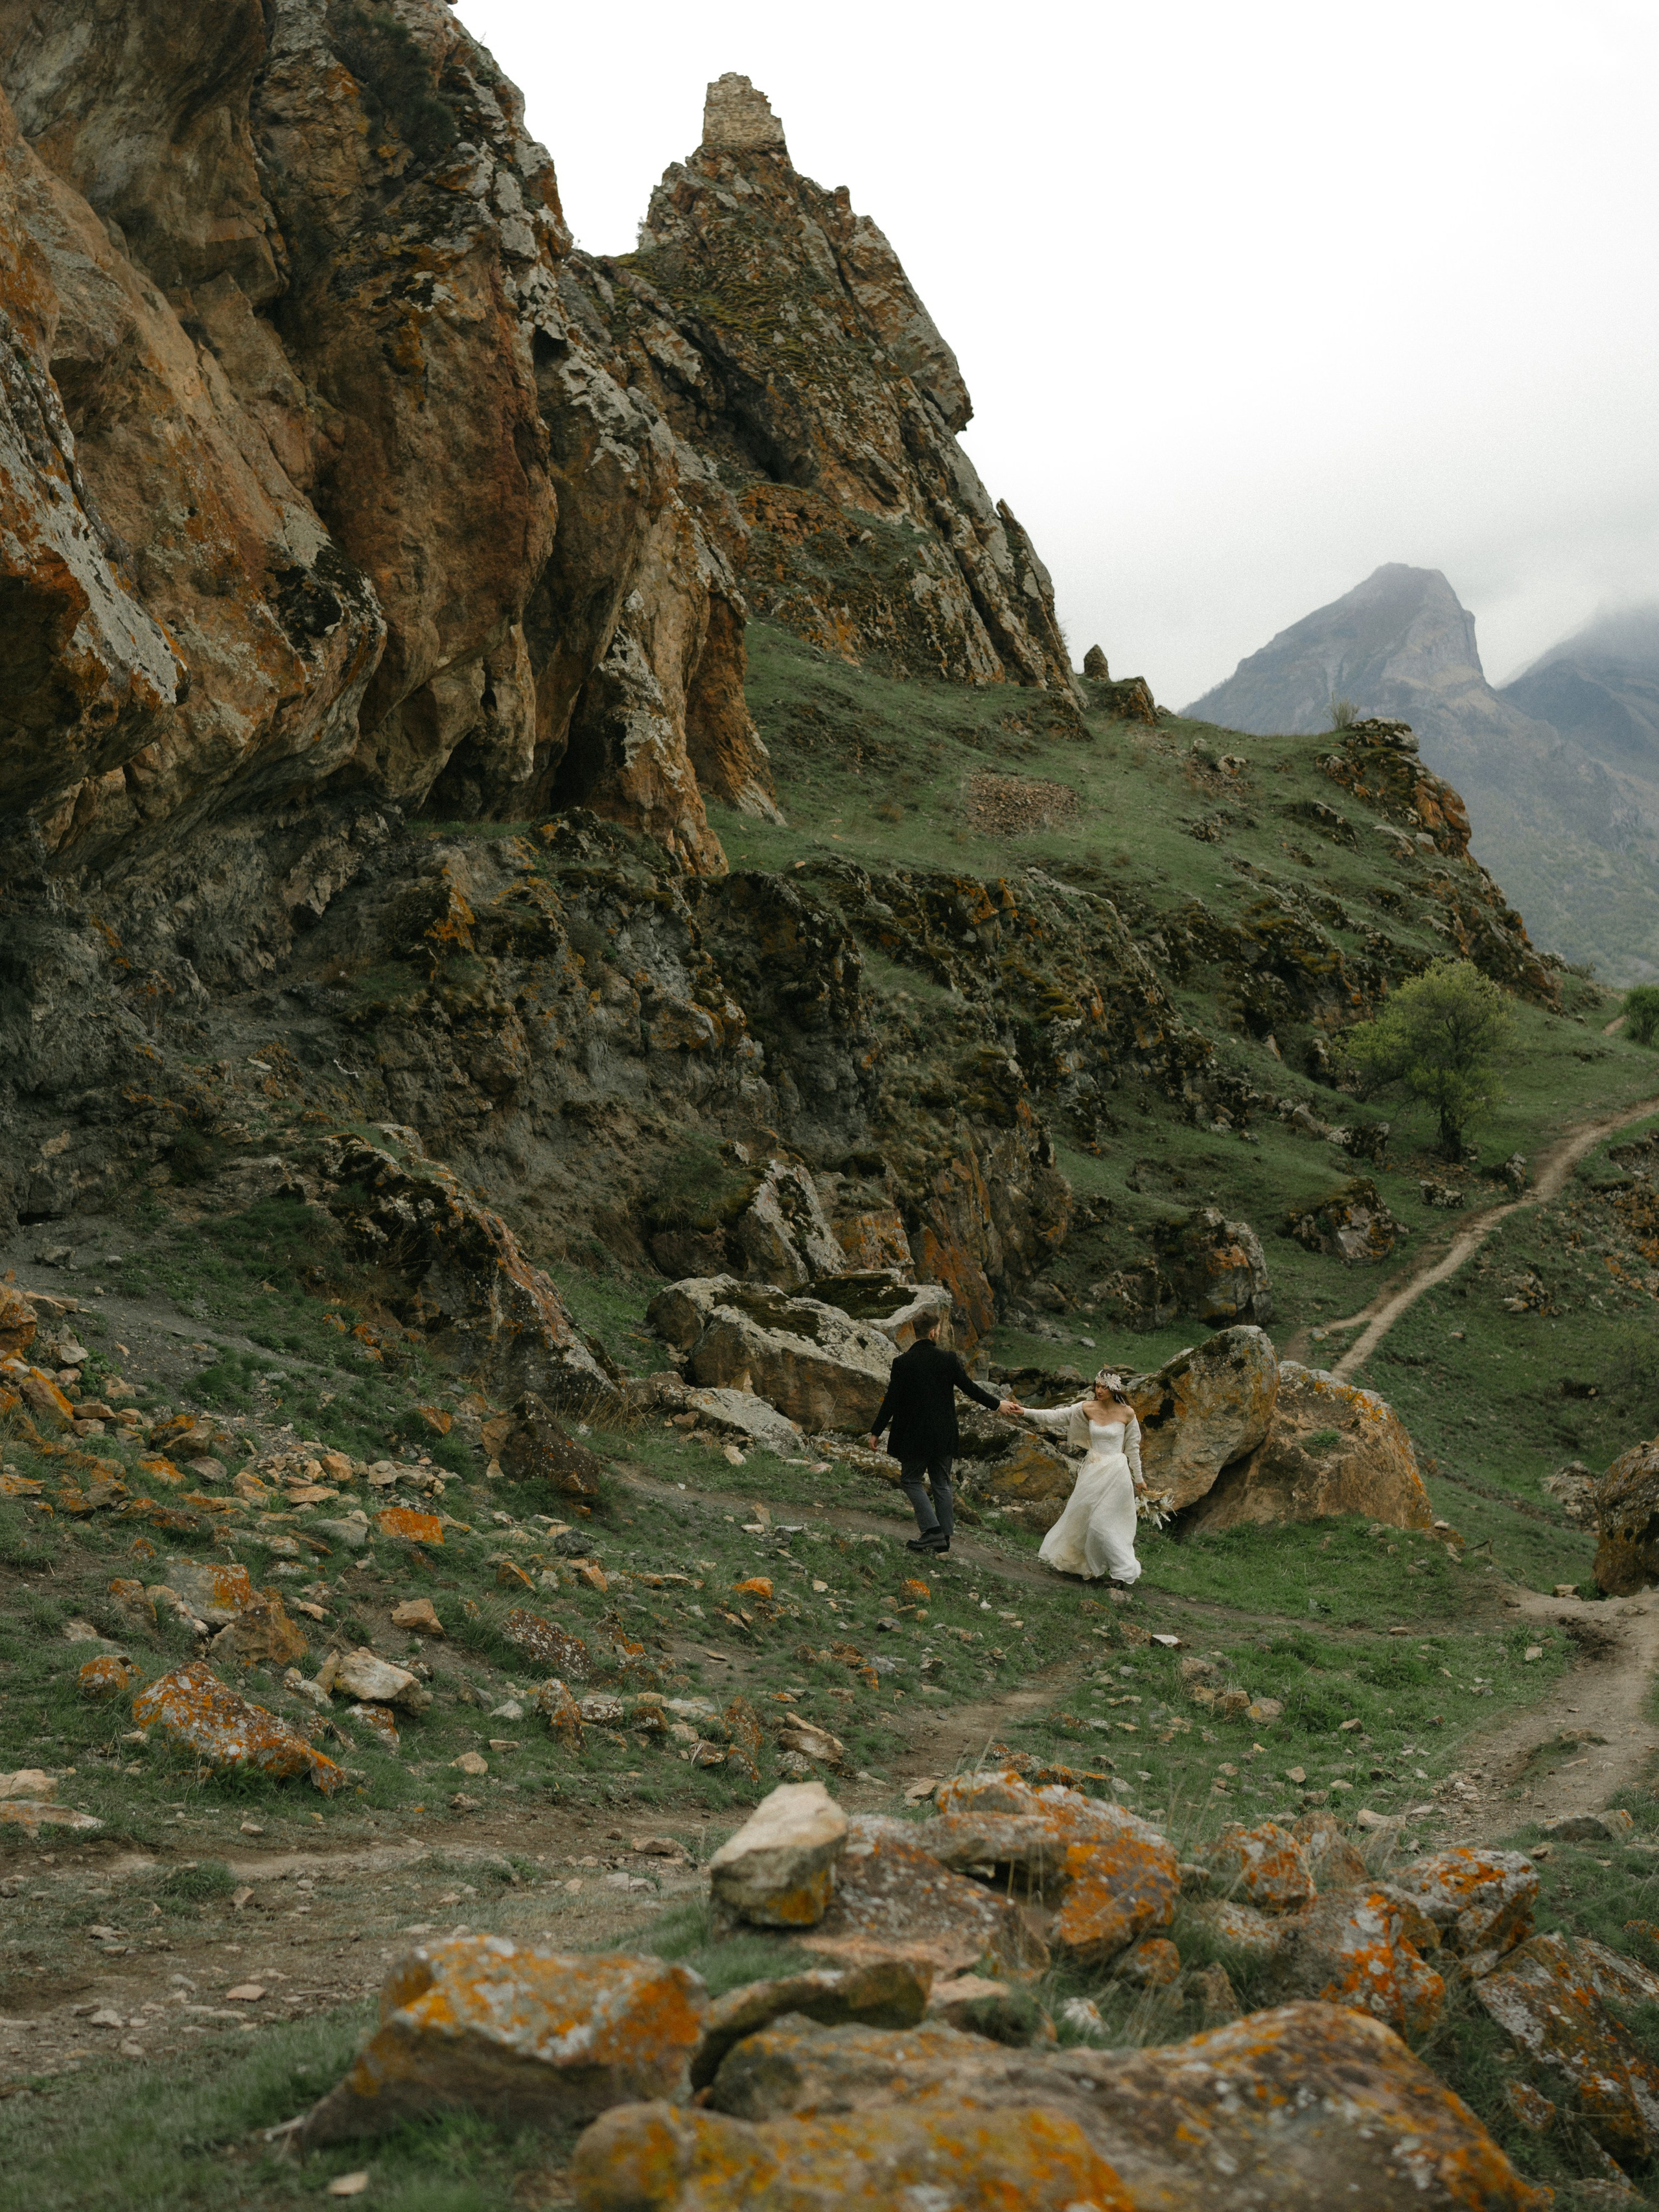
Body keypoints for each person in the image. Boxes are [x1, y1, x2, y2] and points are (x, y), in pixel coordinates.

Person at [867, 1313, 1019, 1555]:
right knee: (942, 1483)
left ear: (915, 1332)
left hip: (914, 1436)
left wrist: (876, 1432)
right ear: (933, 1332)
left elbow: (891, 1402)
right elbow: (970, 1388)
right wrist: (997, 1404)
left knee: (910, 1480)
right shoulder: (947, 1359)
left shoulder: (903, 1362)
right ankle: (944, 1537)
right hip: (943, 1434)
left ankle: (932, 1531)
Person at [1006, 1369, 1147, 1585]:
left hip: (1116, 1473)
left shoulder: (1127, 1413)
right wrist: (1024, 1412)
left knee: (1103, 1524)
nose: (1099, 1391)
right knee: (1082, 1520)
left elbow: (1133, 1448)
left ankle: (1124, 1572)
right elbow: (1056, 1416)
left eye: (1104, 1387)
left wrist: (1139, 1480)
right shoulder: (1087, 1408)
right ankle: (1078, 1564)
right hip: (1093, 1470)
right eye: (1097, 1386)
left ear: (1114, 1389)